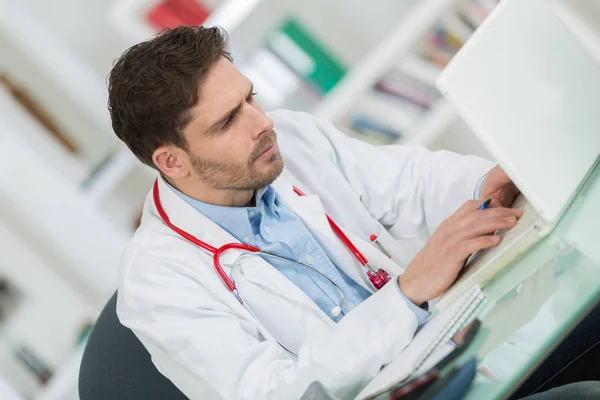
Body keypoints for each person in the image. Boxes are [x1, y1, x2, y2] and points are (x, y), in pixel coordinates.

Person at [107, 26, 599, 399]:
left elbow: (410, 181)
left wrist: (489, 181)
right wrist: (407, 295)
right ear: (172, 161)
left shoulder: (287, 141)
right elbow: (279, 392)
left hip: (454, 355)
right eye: (228, 121)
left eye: (250, 97)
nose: (261, 123)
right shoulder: (156, 283)